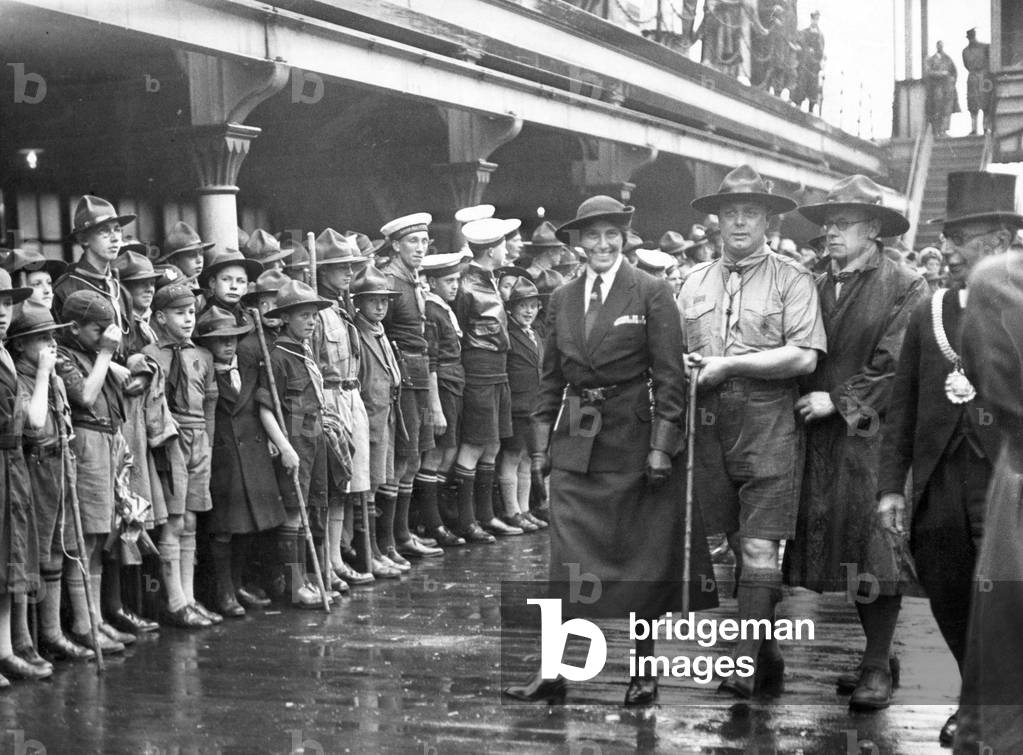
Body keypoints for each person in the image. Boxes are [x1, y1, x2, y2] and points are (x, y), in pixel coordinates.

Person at [505, 195, 717, 707]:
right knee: (568, 561)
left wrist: (663, 448)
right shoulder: (561, 298)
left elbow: (669, 377)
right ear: (577, 243)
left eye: (611, 236)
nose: (601, 245)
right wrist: (540, 450)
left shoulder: (651, 291)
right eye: (591, 237)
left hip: (633, 440)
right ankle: (553, 671)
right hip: (576, 442)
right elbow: (549, 379)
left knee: (639, 556)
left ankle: (643, 673)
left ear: (624, 239)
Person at [877, 172, 1016, 745]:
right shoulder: (926, 311)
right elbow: (901, 408)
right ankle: (973, 696)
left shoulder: (1017, 305)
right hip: (940, 484)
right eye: (948, 237)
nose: (949, 250)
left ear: (1002, 241)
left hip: (1005, 477)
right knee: (949, 590)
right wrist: (890, 489)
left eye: (964, 237)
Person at [678, 165, 825, 699]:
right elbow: (676, 354)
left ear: (768, 219)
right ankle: (768, 654)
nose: (738, 222)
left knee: (762, 548)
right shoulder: (690, 282)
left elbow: (804, 356)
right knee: (739, 549)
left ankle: (741, 663)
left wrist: (731, 366)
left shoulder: (793, 278)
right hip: (711, 425)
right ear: (717, 220)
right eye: (730, 212)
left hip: (770, 423)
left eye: (750, 213)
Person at [783, 175, 928, 710]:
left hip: (872, 437)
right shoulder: (812, 280)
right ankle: (879, 654)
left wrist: (838, 401)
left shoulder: (906, 284)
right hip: (817, 437)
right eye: (826, 225)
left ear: (873, 230)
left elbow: (896, 364)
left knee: (876, 547)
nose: (830, 234)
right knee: (840, 545)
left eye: (842, 224)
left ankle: (875, 667)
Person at [944, 179, 1023, 754]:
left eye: (962, 237)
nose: (951, 250)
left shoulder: (997, 286)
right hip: (967, 469)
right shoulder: (948, 299)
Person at [11, 301, 97, 669]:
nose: (50, 345)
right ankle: (23, 639)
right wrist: (46, 375)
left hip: (62, 464)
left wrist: (52, 375)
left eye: (52, 337)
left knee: (60, 550)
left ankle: (52, 631)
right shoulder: (21, 377)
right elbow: (33, 424)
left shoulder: (56, 377)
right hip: (35, 467)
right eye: (39, 339)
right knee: (32, 554)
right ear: (20, 346)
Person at [197, 305, 286, 618]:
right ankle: (223, 590)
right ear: (207, 343)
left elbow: (264, 406)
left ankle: (238, 584)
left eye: (232, 338)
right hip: (223, 455)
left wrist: (276, 443)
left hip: (254, 452)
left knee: (249, 524)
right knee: (225, 526)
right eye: (220, 340)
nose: (228, 345)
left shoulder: (250, 368)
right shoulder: (204, 373)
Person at [56, 291, 132, 651]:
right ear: (73, 328)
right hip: (84, 444)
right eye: (98, 330)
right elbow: (84, 396)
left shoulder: (89, 353)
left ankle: (97, 620)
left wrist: (103, 356)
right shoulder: (62, 356)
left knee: (100, 538)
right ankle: (84, 625)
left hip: (105, 442)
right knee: (84, 537)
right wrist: (104, 355)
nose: (106, 337)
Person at [144, 283, 222, 627]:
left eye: (191, 312)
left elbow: (210, 405)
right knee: (174, 522)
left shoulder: (201, 356)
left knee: (191, 520)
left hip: (197, 441)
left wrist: (207, 443)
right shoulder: (149, 356)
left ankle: (190, 599)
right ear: (160, 317)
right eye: (179, 313)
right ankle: (174, 602)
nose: (188, 319)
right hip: (168, 441)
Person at [256, 280, 337, 605]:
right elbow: (265, 409)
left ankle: (310, 577)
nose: (311, 321)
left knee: (313, 508)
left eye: (314, 316)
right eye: (304, 315)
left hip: (314, 436)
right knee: (294, 512)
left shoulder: (305, 352)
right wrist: (285, 447)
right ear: (286, 318)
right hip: (294, 440)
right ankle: (294, 586)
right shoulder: (277, 357)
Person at [309, 229, 381, 585]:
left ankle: (336, 559)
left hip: (352, 397)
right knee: (332, 484)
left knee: (350, 484)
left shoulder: (344, 308)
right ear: (322, 271)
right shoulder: (318, 313)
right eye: (340, 267)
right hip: (331, 399)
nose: (349, 273)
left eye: (351, 266)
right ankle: (325, 564)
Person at [378, 213, 445, 566]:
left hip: (418, 372)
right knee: (402, 457)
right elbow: (378, 333)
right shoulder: (388, 280)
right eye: (412, 242)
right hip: (400, 376)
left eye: (423, 241)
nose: (420, 248)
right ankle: (388, 540)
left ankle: (402, 535)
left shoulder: (412, 279)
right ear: (395, 245)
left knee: (415, 456)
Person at [452, 218, 522, 542]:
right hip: (479, 367)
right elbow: (461, 330)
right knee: (474, 443)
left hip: (498, 367)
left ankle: (486, 515)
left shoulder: (490, 279)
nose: (507, 250)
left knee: (492, 443)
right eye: (504, 245)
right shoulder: (467, 285)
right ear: (492, 250)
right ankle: (467, 520)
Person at [351, 267, 404, 579]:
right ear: (359, 303)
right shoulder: (358, 332)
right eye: (373, 301)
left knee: (380, 482)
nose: (380, 307)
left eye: (384, 300)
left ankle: (380, 550)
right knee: (366, 488)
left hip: (387, 415)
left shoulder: (379, 331)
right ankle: (367, 553)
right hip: (369, 416)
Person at [418, 252, 468, 546]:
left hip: (455, 384)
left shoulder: (444, 309)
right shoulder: (431, 312)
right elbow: (431, 363)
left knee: (449, 451)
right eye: (448, 281)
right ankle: (431, 522)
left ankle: (433, 516)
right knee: (436, 452)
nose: (455, 286)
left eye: (457, 280)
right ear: (433, 282)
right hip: (442, 387)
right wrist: (435, 407)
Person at [498, 277, 545, 532]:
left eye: (533, 306)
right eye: (522, 306)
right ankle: (511, 510)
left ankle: (524, 509)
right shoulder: (510, 336)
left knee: (527, 458)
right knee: (512, 456)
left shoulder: (537, 335)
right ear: (511, 309)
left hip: (534, 408)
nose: (528, 311)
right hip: (516, 406)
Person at [791, 10, 825, 113]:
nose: (815, 21)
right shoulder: (805, 32)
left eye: (816, 19)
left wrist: (815, 54)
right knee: (801, 84)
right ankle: (798, 105)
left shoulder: (820, 36)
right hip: (804, 63)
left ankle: (811, 109)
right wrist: (804, 49)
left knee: (812, 88)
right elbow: (800, 43)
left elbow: (821, 51)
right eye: (813, 19)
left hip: (813, 66)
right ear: (811, 19)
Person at [963, 28, 993, 136]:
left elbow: (991, 60)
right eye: (970, 37)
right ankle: (974, 128)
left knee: (986, 103)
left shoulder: (985, 47)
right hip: (973, 78)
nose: (971, 39)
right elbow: (966, 64)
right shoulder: (965, 51)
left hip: (984, 77)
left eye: (972, 37)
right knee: (972, 104)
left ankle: (985, 127)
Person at [925, 41, 958, 136]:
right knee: (937, 109)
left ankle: (944, 130)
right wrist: (940, 74)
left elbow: (954, 72)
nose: (940, 47)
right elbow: (928, 72)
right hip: (937, 87)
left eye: (941, 45)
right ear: (936, 46)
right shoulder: (932, 59)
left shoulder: (948, 59)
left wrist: (952, 81)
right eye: (939, 45)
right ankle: (937, 131)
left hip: (947, 88)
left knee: (946, 110)